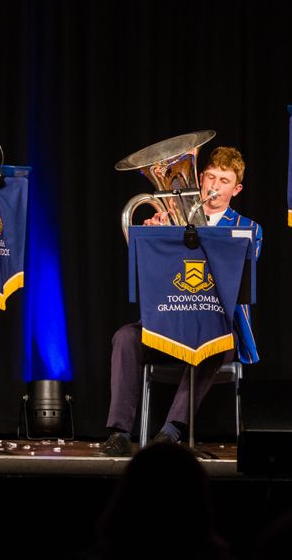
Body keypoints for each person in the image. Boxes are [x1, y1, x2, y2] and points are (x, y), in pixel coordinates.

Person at [97, 146, 261, 457]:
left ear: (236, 189)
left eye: (224, 180)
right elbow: (151, 277)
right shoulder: (171, 220)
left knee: (218, 345)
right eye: (210, 177)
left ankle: (170, 432)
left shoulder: (249, 229)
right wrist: (152, 240)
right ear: (200, 178)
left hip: (215, 325)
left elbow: (235, 276)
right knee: (125, 337)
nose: (214, 186)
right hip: (168, 323)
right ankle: (119, 433)